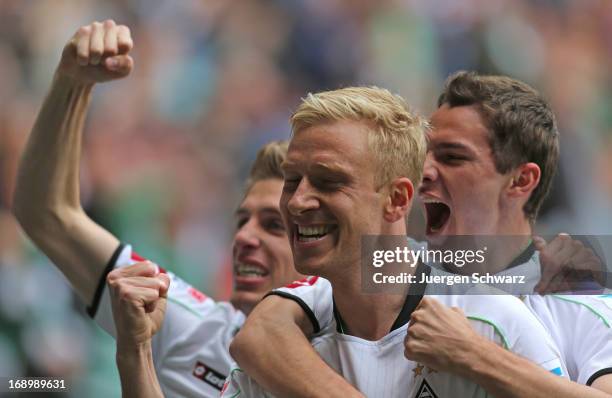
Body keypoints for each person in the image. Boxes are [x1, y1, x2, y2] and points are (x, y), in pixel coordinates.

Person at [228, 73, 612, 397]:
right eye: (424, 154)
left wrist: (475, 355)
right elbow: (260, 333)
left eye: (451, 157)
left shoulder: (565, 303)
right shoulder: (335, 293)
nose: (424, 170)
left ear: (521, 180)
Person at [11, 20, 326, 398]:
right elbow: (48, 215)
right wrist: (72, 84)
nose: (244, 237)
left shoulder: (370, 356)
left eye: (273, 225)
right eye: (242, 221)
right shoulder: (192, 323)